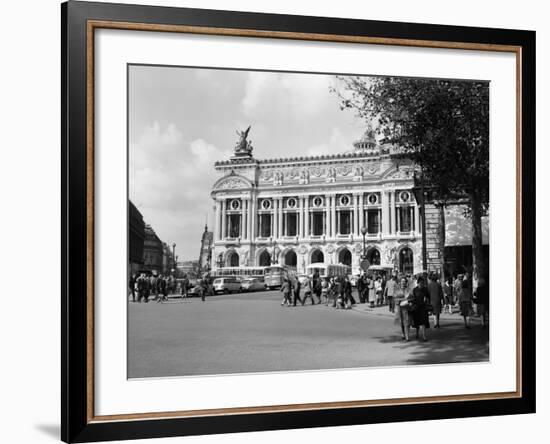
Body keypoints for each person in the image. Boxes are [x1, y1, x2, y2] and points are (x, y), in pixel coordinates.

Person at [408, 276, 430, 341]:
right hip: (416, 307)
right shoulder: (415, 290)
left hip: (423, 308)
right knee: (417, 323)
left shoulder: (425, 289)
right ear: (418, 283)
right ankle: (417, 333)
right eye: (420, 283)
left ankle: (424, 336)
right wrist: (411, 304)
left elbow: (429, 297)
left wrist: (427, 299)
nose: (421, 284)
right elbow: (412, 298)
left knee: (423, 322)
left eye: (422, 283)